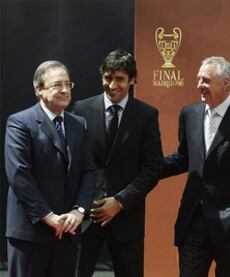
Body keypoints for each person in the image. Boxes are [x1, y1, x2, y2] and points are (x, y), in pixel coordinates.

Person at [161, 56, 230, 277]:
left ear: (225, 83)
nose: (200, 85)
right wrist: (147, 168)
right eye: (199, 79)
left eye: (206, 80)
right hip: (193, 221)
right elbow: (183, 157)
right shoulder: (189, 114)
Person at [72, 49, 163, 277]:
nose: (112, 85)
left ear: (132, 80)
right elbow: (74, 163)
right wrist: (80, 204)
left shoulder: (146, 115)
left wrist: (120, 201)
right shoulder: (81, 110)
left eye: (119, 79)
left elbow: (153, 168)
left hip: (126, 219)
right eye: (107, 78)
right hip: (85, 217)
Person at [4, 61, 96, 277]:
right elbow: (19, 175)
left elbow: (89, 171)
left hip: (67, 232)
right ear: (39, 89)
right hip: (31, 233)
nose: (65, 90)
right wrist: (48, 216)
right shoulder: (20, 122)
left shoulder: (78, 124)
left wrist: (79, 211)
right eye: (57, 85)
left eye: (68, 84)